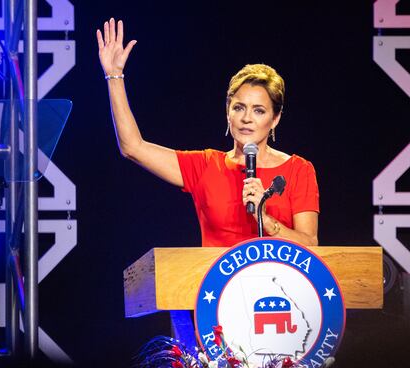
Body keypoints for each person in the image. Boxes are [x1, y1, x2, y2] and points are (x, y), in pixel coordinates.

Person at [96, 18, 319, 247]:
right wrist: (114, 77)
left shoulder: (298, 170)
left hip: (281, 281)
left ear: (275, 119)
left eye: (259, 111)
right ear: (228, 113)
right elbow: (133, 148)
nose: (246, 118)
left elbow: (311, 245)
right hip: (220, 283)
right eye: (239, 107)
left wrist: (266, 220)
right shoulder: (206, 166)